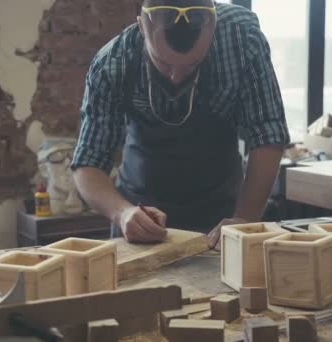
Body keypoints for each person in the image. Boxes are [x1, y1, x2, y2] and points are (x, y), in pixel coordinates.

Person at [71, 0, 290, 248]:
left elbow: (268, 136)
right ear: (142, 27)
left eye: (192, 64)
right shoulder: (112, 63)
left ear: (213, 26)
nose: (176, 76)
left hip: (222, 212)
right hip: (140, 214)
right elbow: (87, 166)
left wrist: (245, 218)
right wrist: (122, 213)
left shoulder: (242, 42)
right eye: (163, 62)